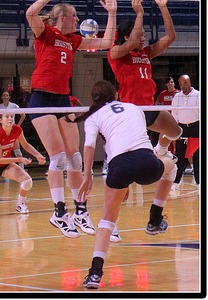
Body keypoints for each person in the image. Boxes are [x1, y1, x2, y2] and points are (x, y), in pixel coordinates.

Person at [25, 0, 117, 237]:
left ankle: (81, 210)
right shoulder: (45, 32)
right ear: (61, 18)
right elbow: (30, 13)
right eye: (74, 16)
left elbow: (106, 42)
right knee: (57, 158)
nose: (77, 20)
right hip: (41, 99)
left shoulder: (74, 40)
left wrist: (112, 13)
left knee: (74, 157)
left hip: (63, 98)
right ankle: (59, 212)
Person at [71, 81, 176, 289]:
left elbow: (89, 145)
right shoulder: (134, 108)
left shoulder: (93, 116)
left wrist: (87, 176)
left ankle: (94, 274)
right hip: (146, 161)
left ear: (94, 99)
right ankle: (154, 219)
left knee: (106, 222)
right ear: (117, 94)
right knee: (171, 166)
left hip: (118, 167)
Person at [107, 0, 182, 160]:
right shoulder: (116, 53)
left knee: (176, 131)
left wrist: (163, 7)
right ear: (126, 36)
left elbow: (171, 37)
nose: (143, 38)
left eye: (143, 35)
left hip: (149, 106)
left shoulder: (146, 53)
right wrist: (139, 13)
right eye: (140, 35)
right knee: (133, 150)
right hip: (130, 109)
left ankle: (161, 150)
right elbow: (132, 43)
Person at [171, 74, 199, 188]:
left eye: (186, 83)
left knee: (198, 155)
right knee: (180, 155)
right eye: (181, 84)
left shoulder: (198, 95)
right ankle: (176, 181)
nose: (184, 86)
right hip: (182, 128)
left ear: (190, 82)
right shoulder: (177, 97)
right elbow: (174, 115)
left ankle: (199, 181)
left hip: (197, 126)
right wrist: (175, 130)